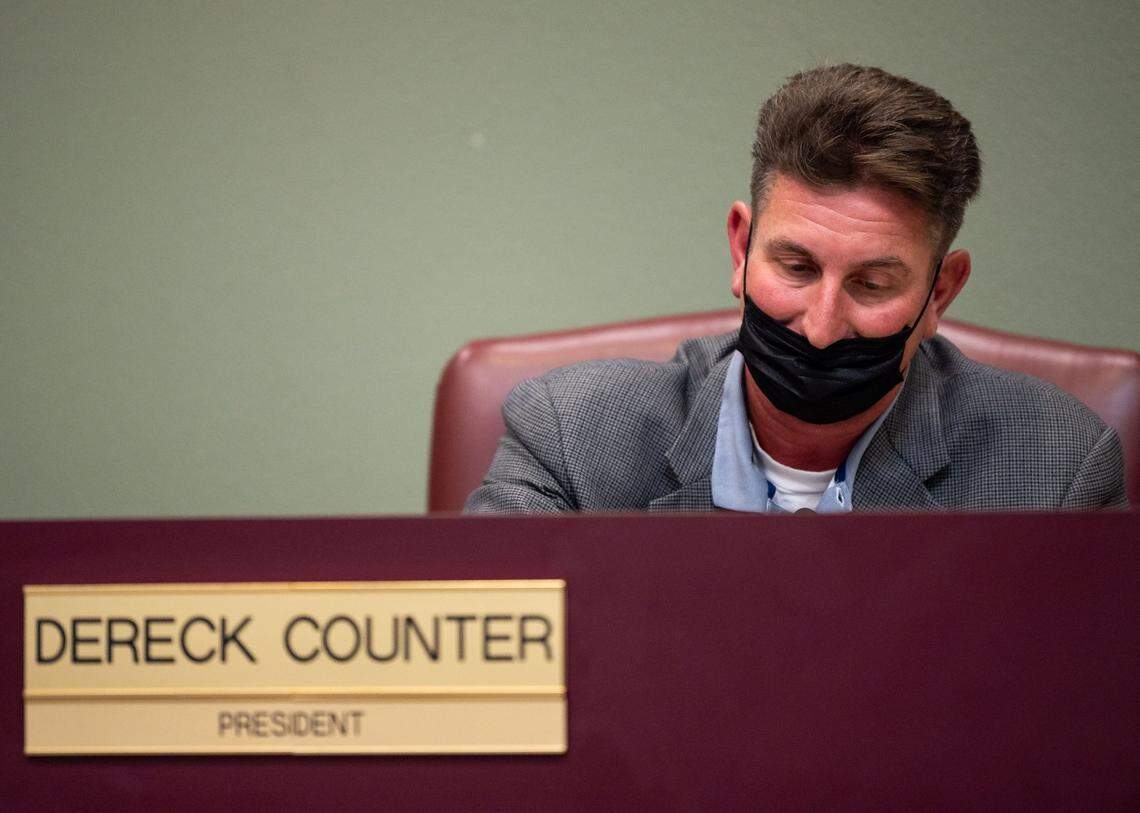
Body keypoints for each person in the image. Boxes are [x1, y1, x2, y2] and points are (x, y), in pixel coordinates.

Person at [465, 64, 1126, 513]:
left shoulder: (1055, 470)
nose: (820, 325)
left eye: (872, 283)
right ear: (740, 246)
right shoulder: (571, 437)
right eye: (797, 268)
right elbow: (486, 695)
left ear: (941, 293)